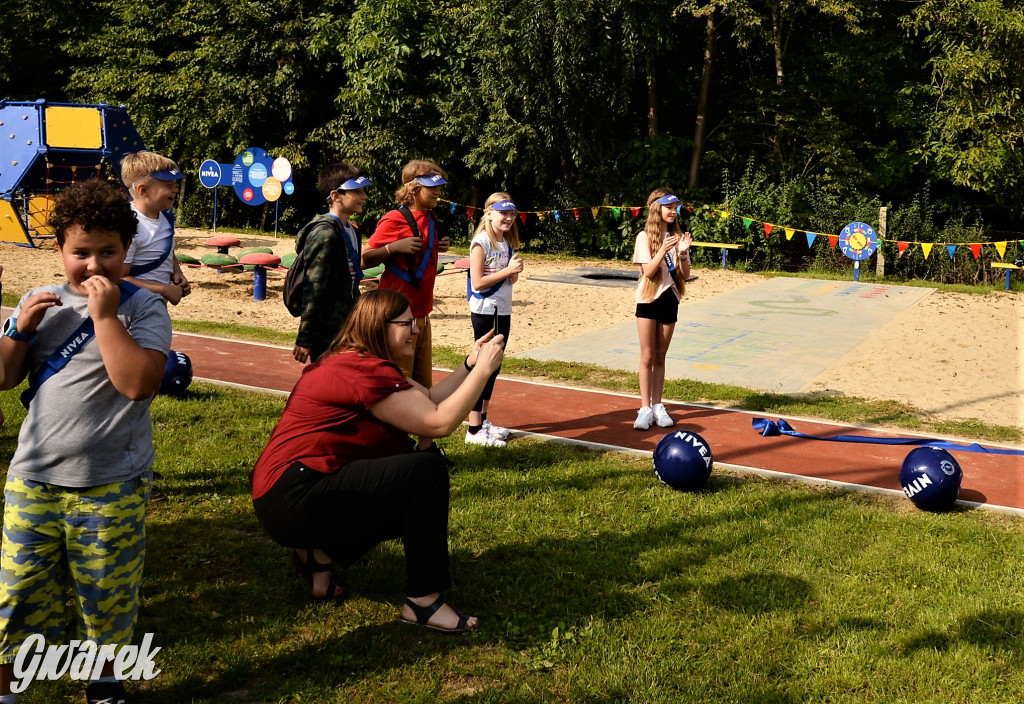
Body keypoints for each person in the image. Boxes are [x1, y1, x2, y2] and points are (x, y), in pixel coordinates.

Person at [0, 179, 172, 704]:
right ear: (59, 250)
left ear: (128, 249)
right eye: (81, 252)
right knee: (16, 591)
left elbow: (137, 384)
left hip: (110, 482)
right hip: (34, 476)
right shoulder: (39, 300)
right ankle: (7, 686)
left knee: (106, 593)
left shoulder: (143, 309)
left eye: (108, 252)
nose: (94, 265)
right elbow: (5, 377)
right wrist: (20, 330)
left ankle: (103, 681)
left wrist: (104, 317)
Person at [251, 289, 504, 634]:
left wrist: (470, 365)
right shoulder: (363, 371)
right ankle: (424, 602)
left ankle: (319, 558)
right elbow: (439, 423)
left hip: (285, 493)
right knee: (425, 473)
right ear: (378, 327)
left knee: (402, 472)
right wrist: (485, 371)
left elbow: (428, 399)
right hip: (295, 494)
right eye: (407, 324)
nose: (415, 330)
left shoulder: (358, 362)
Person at [362, 160, 451, 389]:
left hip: (423, 315)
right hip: (397, 317)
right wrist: (393, 248)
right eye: (432, 187)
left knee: (422, 387)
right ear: (413, 189)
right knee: (397, 386)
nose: (438, 192)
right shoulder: (395, 218)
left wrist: (437, 245)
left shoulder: (431, 217)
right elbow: (363, 259)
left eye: (439, 187)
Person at [291, 164, 371, 363]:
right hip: (327, 332)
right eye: (357, 191)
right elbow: (314, 288)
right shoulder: (325, 233)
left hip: (348, 326)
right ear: (336, 196)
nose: (364, 196)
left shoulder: (352, 229)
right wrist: (306, 338)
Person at [464, 193, 524, 447]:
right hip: (485, 311)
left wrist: (514, 272)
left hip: (502, 310)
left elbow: (510, 280)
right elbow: (477, 282)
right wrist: (507, 271)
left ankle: (483, 421)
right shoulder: (482, 242)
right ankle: (474, 428)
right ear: (489, 213)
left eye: (512, 214)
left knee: (494, 367)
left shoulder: (506, 242)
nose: (509, 218)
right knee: (483, 367)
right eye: (503, 213)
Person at [631, 189, 692, 431]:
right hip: (648, 299)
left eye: (675, 207)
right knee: (647, 356)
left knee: (660, 356)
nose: (673, 211)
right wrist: (664, 251)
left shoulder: (677, 237)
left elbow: (684, 275)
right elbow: (648, 272)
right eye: (669, 207)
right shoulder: (644, 238)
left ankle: (658, 405)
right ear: (657, 209)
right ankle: (645, 408)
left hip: (670, 298)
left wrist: (683, 253)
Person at [119, 150, 192, 305]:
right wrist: (164, 289)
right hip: (133, 308)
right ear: (143, 190)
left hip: (155, 305)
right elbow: (119, 278)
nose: (176, 190)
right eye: (168, 185)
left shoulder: (165, 217)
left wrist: (176, 271)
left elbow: (166, 250)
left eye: (175, 184)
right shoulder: (129, 226)